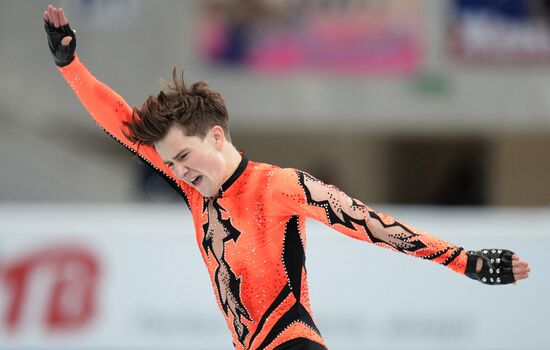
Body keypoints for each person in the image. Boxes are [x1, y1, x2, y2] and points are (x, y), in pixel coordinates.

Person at [43, 5, 530, 350]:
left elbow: (371, 224)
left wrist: (463, 260)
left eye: (185, 156)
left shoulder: (277, 187)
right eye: (170, 164)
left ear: (216, 136)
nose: (180, 171)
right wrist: (70, 66)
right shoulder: (196, 195)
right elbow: (122, 122)